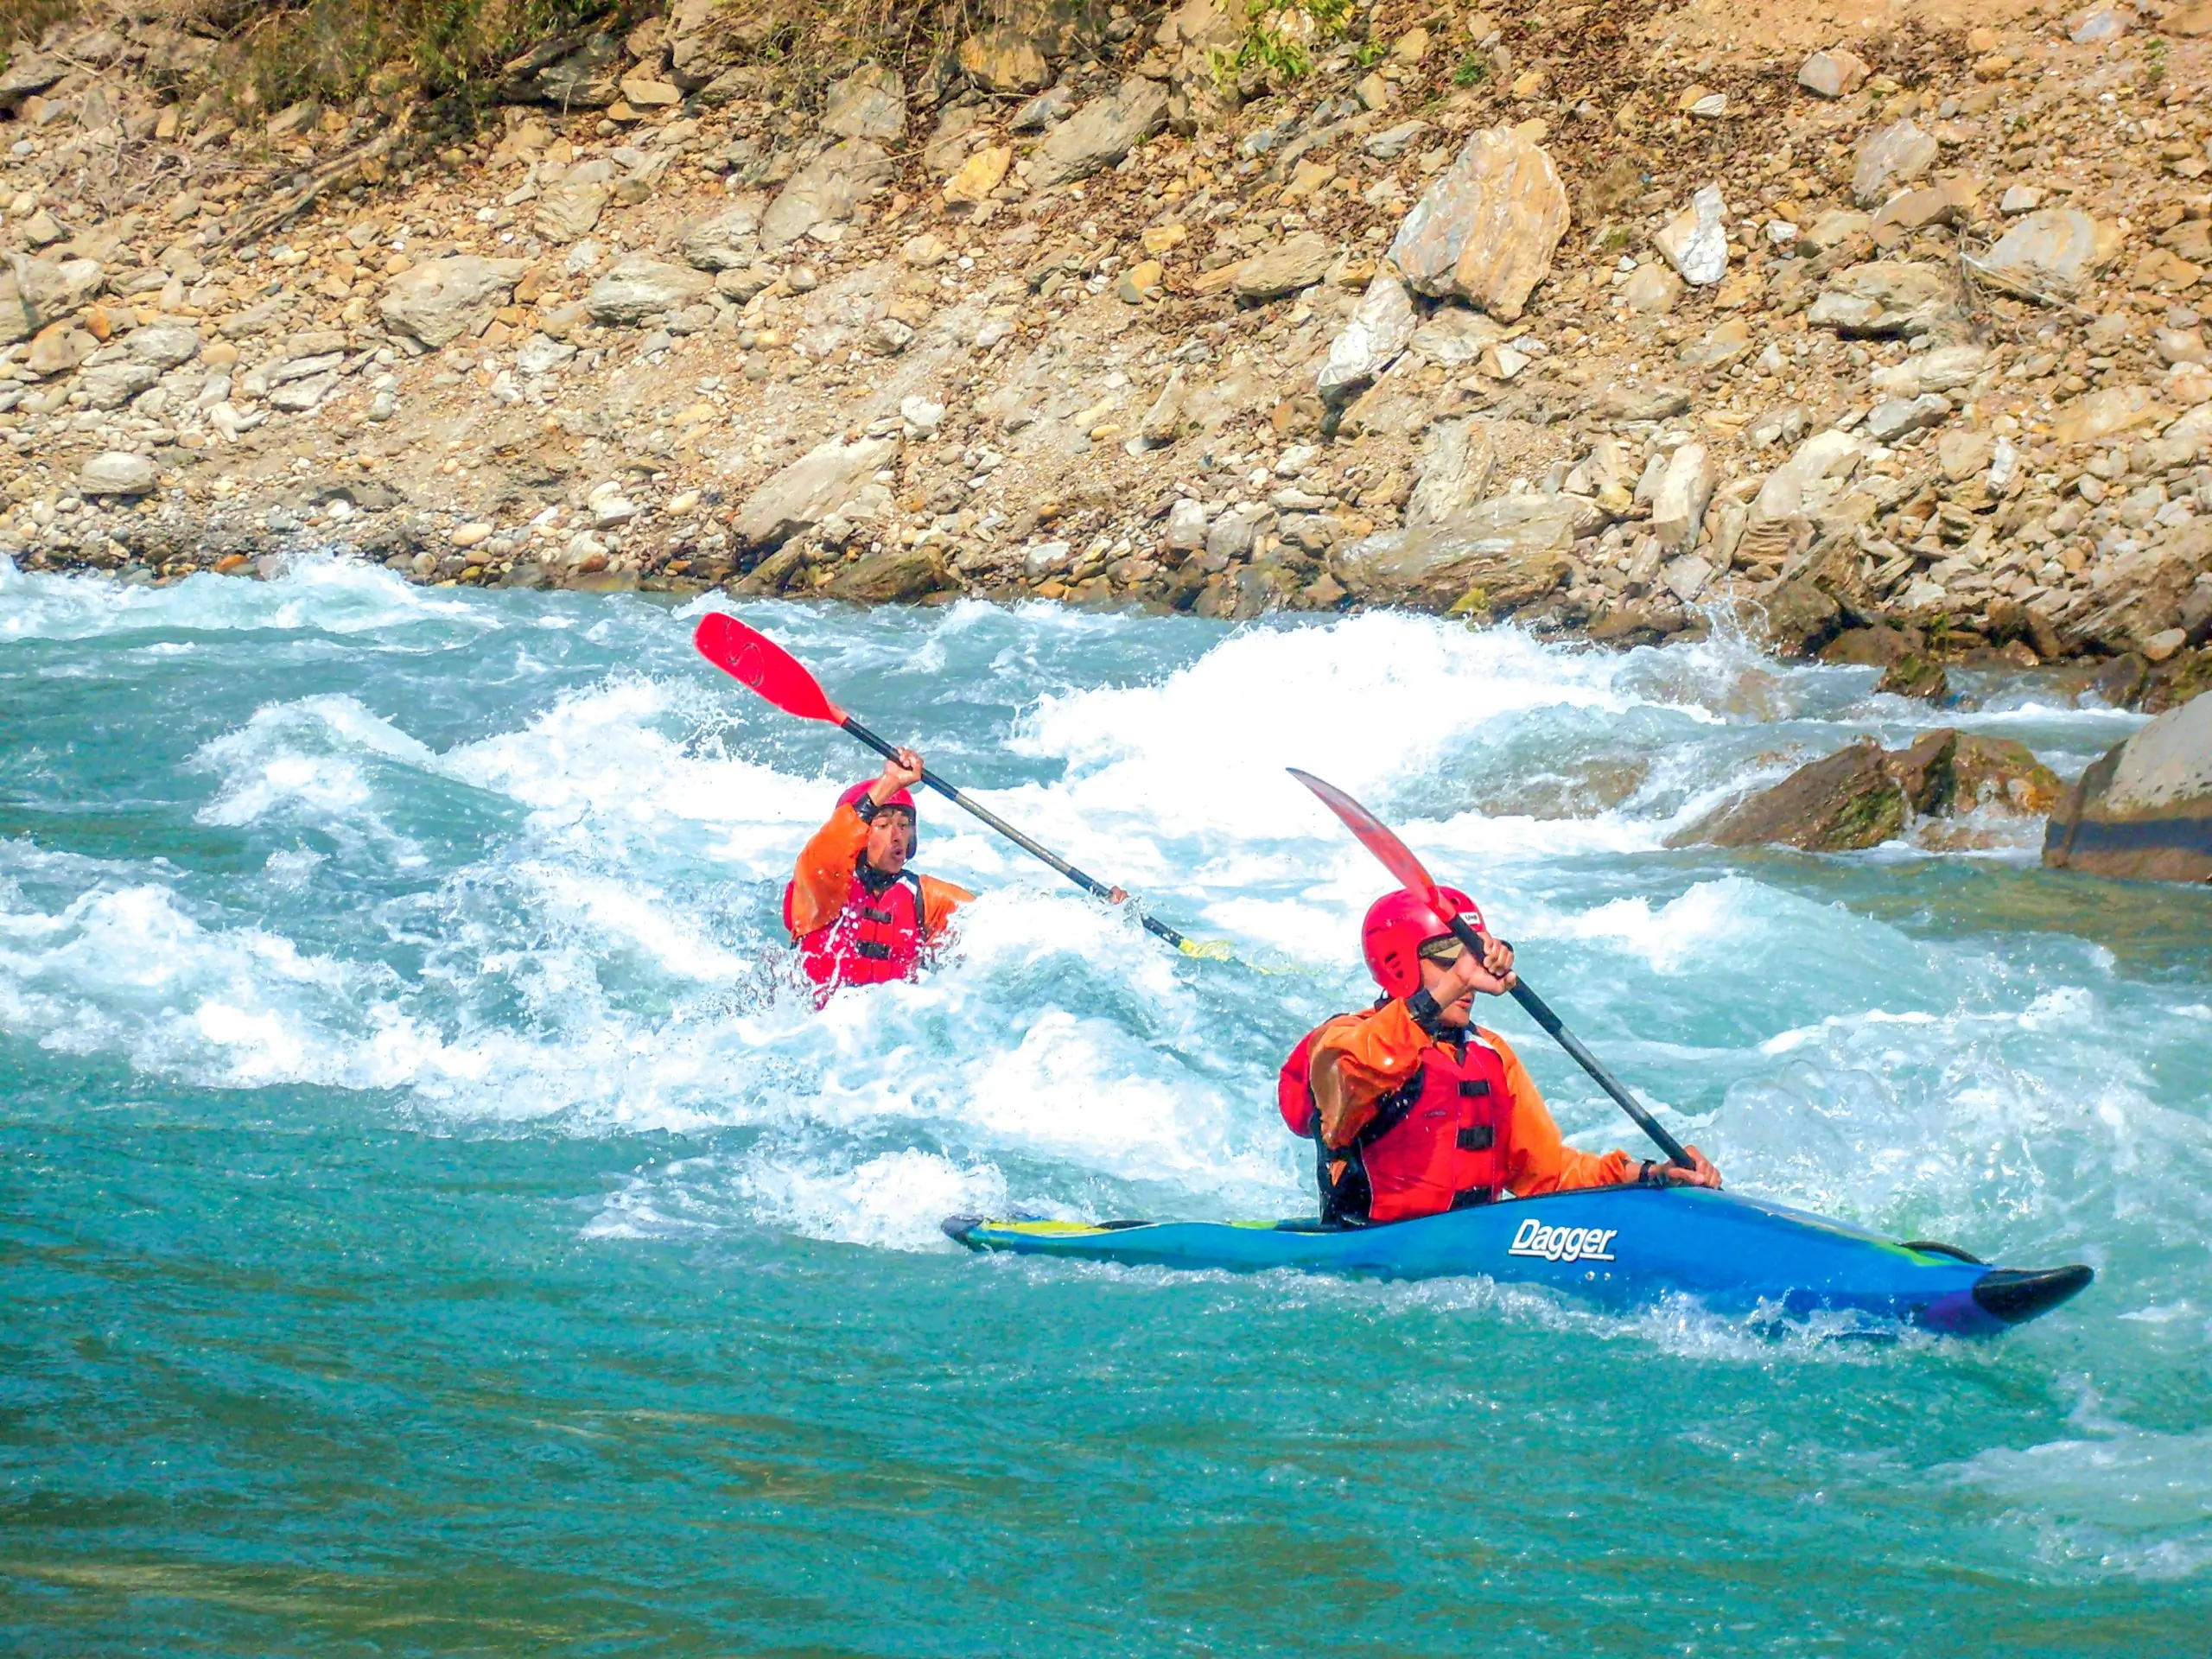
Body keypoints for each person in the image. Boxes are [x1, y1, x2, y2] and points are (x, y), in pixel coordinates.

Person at [1279, 887, 1722, 1225]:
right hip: (1366, 1254)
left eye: (1472, 962)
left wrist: (1652, 1174)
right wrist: (1448, 987)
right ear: (1399, 964)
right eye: (1450, 962)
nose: (1469, 980)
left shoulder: (1488, 1053)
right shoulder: (1343, 1040)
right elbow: (1366, 1065)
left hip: (1469, 1252)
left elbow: (1548, 1174)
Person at [784, 748, 974, 993]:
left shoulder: (924, 897)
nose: (896, 836)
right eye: (882, 825)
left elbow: (987, 922)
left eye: (904, 826)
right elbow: (833, 844)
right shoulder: (823, 886)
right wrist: (890, 783)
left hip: (891, 1020)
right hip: (814, 1022)